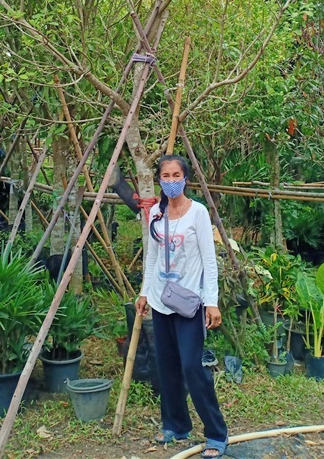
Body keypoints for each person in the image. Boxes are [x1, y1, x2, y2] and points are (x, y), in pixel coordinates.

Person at [136, 154, 228, 459]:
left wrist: (212, 302)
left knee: (192, 367)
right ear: (159, 180)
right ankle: (176, 424)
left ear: (185, 179)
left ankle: (216, 433)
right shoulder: (156, 215)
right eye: (167, 175)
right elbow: (151, 256)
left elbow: (209, 261)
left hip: (190, 304)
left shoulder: (198, 213)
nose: (172, 181)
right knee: (167, 368)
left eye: (177, 175)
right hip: (162, 302)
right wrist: (145, 292)